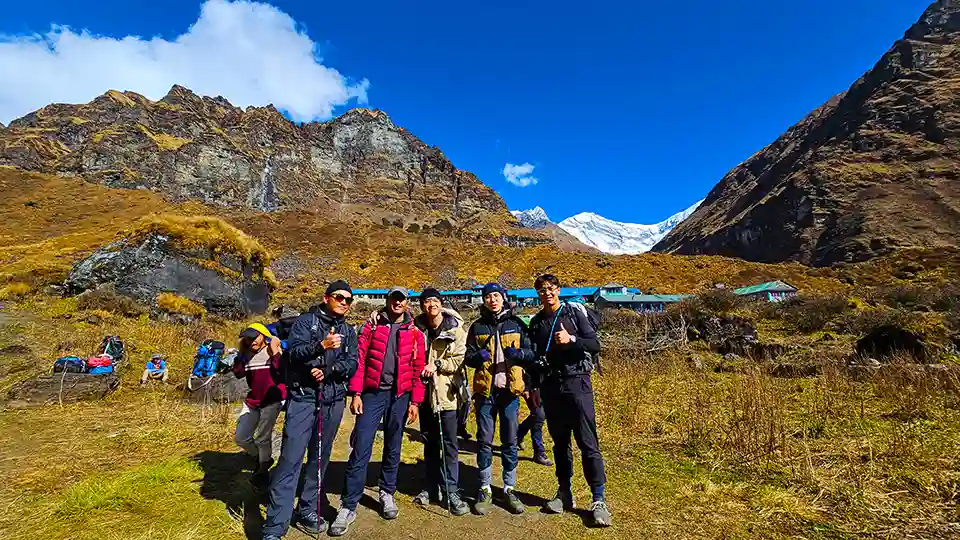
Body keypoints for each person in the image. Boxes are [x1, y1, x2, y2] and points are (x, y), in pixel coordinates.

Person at [262, 281, 358, 540]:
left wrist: (328, 371)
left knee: (319, 458)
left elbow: (352, 363)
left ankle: (307, 510)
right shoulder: (306, 322)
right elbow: (293, 354)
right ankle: (274, 527)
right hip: (303, 399)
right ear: (326, 297)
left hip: (333, 401)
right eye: (340, 297)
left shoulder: (348, 331)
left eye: (349, 300)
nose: (345, 302)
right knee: (290, 460)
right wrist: (321, 347)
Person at [329, 286, 426, 537]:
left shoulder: (415, 332)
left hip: (401, 396)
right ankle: (348, 505)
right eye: (394, 298)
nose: (397, 302)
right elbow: (360, 361)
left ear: (407, 302)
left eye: (402, 299)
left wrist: (415, 402)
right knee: (361, 445)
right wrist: (356, 393)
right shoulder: (371, 326)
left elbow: (418, 367)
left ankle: (387, 493)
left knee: (393, 446)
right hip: (372, 394)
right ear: (388, 300)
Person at [528, 274, 611, 527]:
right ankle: (564, 493)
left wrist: (571, 340)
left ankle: (598, 500)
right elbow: (533, 357)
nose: (547, 293)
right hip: (551, 387)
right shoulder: (536, 322)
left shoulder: (573, 314)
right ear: (538, 294)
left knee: (587, 441)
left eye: (551, 289)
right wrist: (533, 386)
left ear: (559, 290)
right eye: (542, 290)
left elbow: (594, 344)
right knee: (560, 443)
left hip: (578, 383)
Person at [463, 282, 534, 515]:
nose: (492, 300)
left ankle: (509, 488)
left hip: (510, 392)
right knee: (484, 440)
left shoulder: (517, 324)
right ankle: (484, 487)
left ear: (503, 298)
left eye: (496, 295)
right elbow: (467, 357)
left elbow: (531, 354)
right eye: (488, 296)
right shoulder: (477, 326)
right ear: (483, 300)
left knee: (510, 441)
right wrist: (478, 356)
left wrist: (520, 354)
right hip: (485, 393)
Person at [412, 288, 469, 515]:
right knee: (430, 442)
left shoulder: (455, 328)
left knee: (450, 444)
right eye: (426, 301)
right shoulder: (415, 327)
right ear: (422, 305)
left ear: (441, 304)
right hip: (423, 396)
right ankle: (430, 486)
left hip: (447, 395)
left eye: (434, 300)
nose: (431, 305)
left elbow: (459, 360)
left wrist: (437, 365)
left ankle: (451, 489)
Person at [232, 323, 285, 489]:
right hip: (253, 400)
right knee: (241, 437)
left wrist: (275, 350)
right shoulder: (247, 355)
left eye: (254, 337)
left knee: (262, 437)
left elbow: (282, 372)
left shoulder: (272, 350)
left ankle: (262, 468)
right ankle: (263, 458)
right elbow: (239, 373)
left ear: (264, 335)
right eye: (247, 338)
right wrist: (240, 357)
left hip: (272, 399)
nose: (250, 341)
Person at [517, 371, 552, 467]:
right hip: (532, 385)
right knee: (538, 416)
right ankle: (539, 452)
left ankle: (519, 433)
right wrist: (527, 386)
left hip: (547, 385)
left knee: (538, 415)